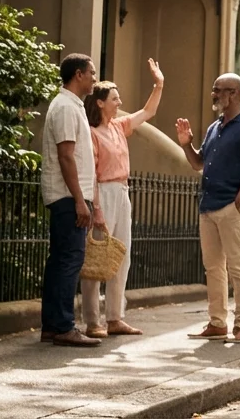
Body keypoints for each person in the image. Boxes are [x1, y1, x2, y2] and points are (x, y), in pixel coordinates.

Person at [78, 58, 164, 338]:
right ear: (100, 102)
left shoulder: (119, 126)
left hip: (123, 192)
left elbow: (148, 111)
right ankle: (92, 321)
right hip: (102, 193)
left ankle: (115, 317)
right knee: (96, 258)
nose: (119, 102)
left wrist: (158, 83)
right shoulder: (92, 133)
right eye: (115, 98)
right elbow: (91, 174)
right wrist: (97, 209)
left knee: (120, 257)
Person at [176, 73, 240, 345]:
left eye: (218, 91)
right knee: (213, 268)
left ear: (234, 93)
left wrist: (238, 203)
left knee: (238, 267)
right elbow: (198, 163)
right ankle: (217, 323)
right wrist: (185, 143)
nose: (213, 95)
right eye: (214, 90)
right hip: (208, 206)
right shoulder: (215, 127)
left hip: (231, 208)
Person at [40, 54, 102, 347]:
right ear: (79, 74)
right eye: (92, 72)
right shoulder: (65, 106)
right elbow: (66, 156)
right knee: (69, 260)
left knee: (60, 260)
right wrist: (80, 200)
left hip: (68, 196)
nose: (94, 78)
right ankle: (64, 326)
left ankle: (53, 325)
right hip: (68, 197)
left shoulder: (70, 105)